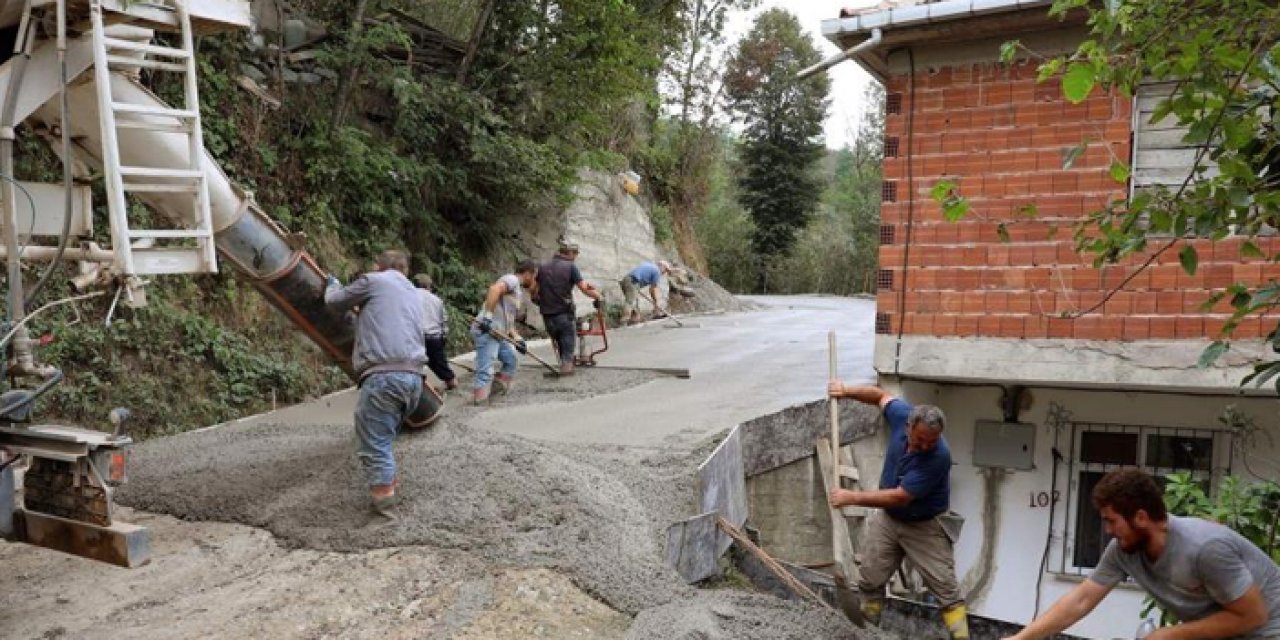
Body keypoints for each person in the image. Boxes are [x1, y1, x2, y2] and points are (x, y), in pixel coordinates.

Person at [1005, 468, 1280, 640]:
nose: (1107, 530)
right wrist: (1023, 638)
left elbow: (1253, 616)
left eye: (1111, 521)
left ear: (1140, 516)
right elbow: (1081, 600)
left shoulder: (1204, 548)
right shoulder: (1124, 550)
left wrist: (1169, 635)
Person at [826, 381, 969, 639]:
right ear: (908, 427)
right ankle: (870, 632)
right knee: (870, 580)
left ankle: (961, 637)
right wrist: (846, 390)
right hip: (889, 521)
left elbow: (900, 497)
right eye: (921, 439)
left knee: (946, 589)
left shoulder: (939, 457)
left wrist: (852, 497)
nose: (926, 446)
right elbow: (880, 395)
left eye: (932, 441)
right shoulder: (902, 414)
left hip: (926, 526)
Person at [324, 250, 425, 518]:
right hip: (414, 379)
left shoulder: (375, 281)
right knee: (384, 437)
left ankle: (385, 511)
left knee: (375, 442)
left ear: (379, 266)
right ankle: (388, 489)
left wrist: (333, 284)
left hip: (385, 377)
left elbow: (334, 302)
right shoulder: (413, 292)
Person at [471, 260, 537, 404]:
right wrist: (487, 317)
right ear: (527, 274)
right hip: (488, 330)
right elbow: (494, 290)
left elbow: (508, 320)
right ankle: (480, 400)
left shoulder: (516, 291)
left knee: (510, 361)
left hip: (498, 332)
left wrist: (518, 338)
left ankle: (495, 388)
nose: (533, 280)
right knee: (485, 370)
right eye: (533, 276)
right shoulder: (512, 279)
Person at [535, 240, 603, 376]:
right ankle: (565, 378)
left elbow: (535, 290)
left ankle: (563, 366)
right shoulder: (570, 267)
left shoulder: (542, 267)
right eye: (575, 254)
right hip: (563, 314)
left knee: (559, 344)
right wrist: (599, 297)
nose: (576, 257)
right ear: (570, 253)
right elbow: (584, 287)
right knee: (567, 346)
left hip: (547, 315)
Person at [412, 274, 457, 391]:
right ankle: (450, 380)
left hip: (415, 337)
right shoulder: (437, 300)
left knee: (413, 364)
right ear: (428, 286)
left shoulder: (408, 297)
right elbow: (444, 321)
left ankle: (418, 387)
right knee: (439, 362)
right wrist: (444, 337)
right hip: (434, 337)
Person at [620, 259, 672, 325]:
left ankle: (634, 321)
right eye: (666, 270)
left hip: (627, 280)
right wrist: (655, 301)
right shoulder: (657, 271)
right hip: (633, 282)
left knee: (634, 302)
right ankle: (624, 321)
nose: (665, 272)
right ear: (662, 266)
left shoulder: (649, 265)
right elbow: (652, 289)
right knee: (630, 302)